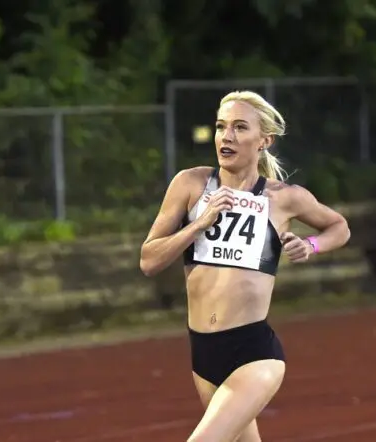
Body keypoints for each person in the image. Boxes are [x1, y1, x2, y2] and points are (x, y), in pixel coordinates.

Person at [139, 90, 351, 442]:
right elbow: (149, 260)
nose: (227, 136)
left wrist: (310, 245)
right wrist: (199, 224)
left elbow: (339, 226)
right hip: (203, 354)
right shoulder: (191, 184)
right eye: (221, 126)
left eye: (240, 127)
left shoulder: (283, 197)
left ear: (264, 140)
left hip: (253, 353)